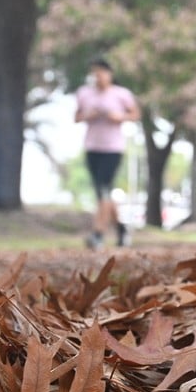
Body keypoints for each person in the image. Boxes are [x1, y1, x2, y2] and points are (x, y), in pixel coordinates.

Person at [75, 58, 141, 249]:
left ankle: (97, 234)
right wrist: (90, 115)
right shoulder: (84, 94)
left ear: (109, 74)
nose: (98, 77)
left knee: (104, 189)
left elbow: (135, 114)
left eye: (101, 73)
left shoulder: (121, 94)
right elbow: (76, 116)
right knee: (103, 194)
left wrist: (119, 116)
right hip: (92, 147)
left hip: (113, 148)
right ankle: (121, 229)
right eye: (94, 74)